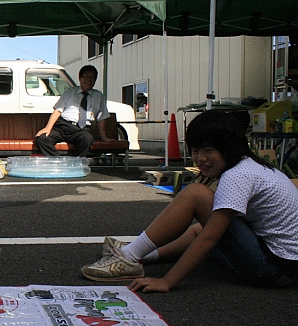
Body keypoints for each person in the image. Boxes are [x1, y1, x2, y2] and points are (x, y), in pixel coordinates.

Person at [82, 110, 298, 292]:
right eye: (195, 151)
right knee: (199, 228)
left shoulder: (237, 176)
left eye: (208, 150)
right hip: (285, 264)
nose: (200, 159)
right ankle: (140, 256)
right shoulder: (250, 165)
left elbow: (209, 238)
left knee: (196, 195)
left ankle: (128, 257)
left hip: (273, 269)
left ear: (229, 147)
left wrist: (167, 281)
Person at [34, 64, 115, 156]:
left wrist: (104, 137)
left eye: (92, 77)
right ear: (80, 78)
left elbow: (101, 118)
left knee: (87, 139)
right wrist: (48, 128)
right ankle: (60, 162)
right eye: (86, 77)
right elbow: (57, 111)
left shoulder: (98, 96)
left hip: (81, 130)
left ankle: (75, 162)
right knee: (42, 138)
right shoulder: (69, 92)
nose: (89, 80)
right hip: (63, 127)